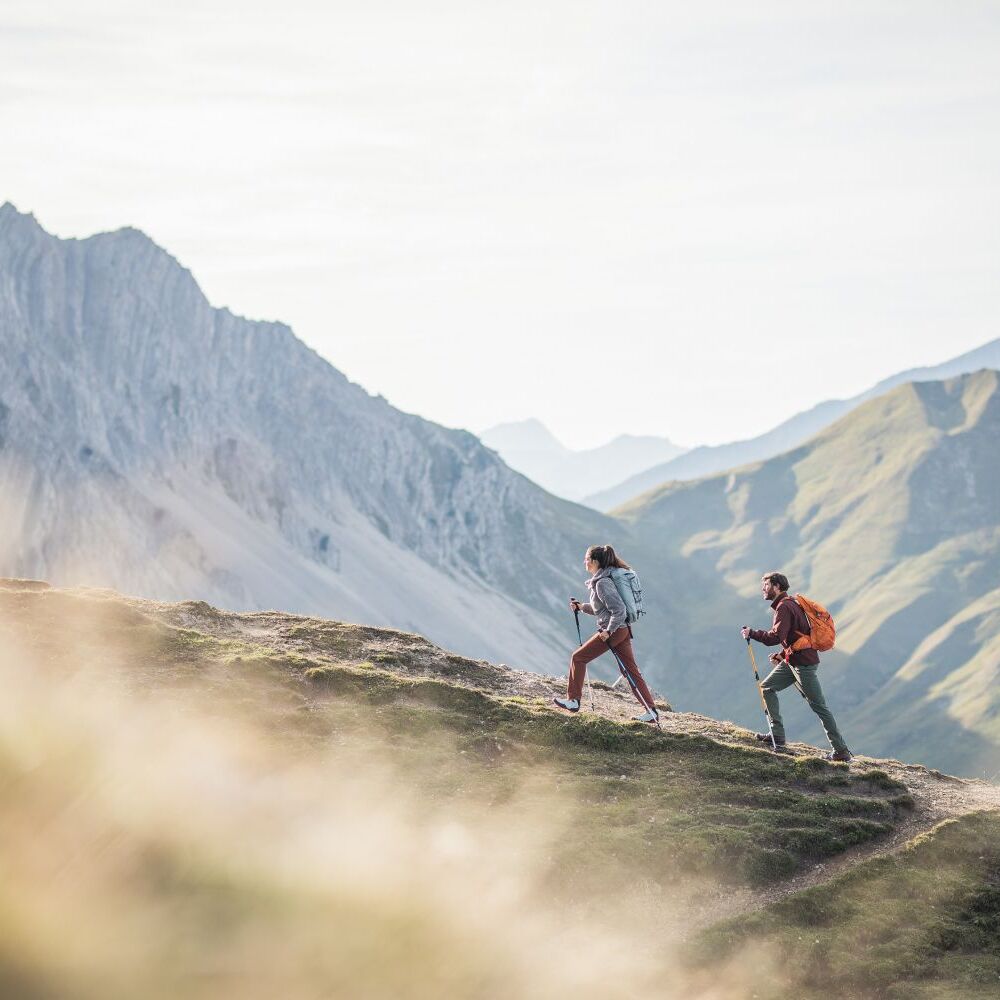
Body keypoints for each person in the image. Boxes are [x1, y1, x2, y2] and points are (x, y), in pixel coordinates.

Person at [741, 572, 852, 762]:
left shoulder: (784, 607)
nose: (763, 589)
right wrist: (783, 655)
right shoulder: (790, 603)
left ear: (777, 587)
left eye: (766, 585)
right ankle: (777, 736)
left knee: (819, 706)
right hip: (793, 661)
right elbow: (797, 637)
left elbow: (775, 637)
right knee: (766, 687)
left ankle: (840, 751)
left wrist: (752, 633)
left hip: (804, 665)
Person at [553, 544, 659, 723]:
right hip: (622, 630)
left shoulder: (602, 582)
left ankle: (573, 701)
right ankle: (651, 711)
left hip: (613, 631)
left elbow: (619, 610)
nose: (584, 562)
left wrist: (608, 631)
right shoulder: (602, 579)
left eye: (587, 559)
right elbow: (601, 609)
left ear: (595, 561)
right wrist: (581, 607)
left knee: (578, 658)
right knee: (631, 672)